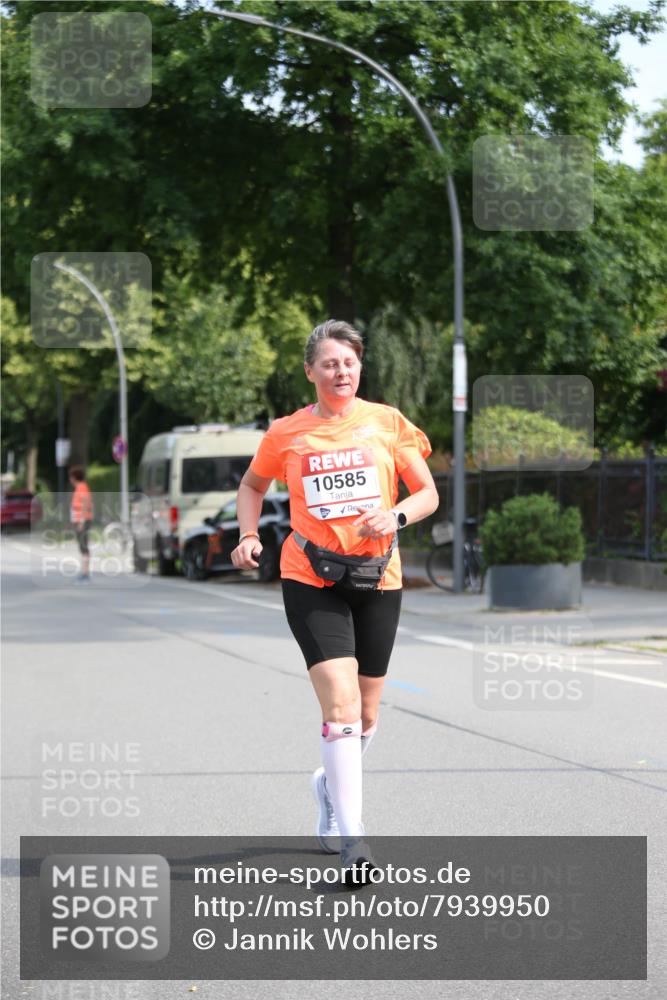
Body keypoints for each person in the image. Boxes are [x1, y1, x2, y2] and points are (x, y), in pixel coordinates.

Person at [231, 319, 439, 877]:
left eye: (348, 362)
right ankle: (354, 840)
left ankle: (328, 786)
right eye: (329, 363)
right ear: (311, 372)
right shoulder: (287, 433)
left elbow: (426, 493)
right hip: (310, 575)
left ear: (359, 368)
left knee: (368, 712)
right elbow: (253, 485)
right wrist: (249, 536)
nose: (340, 371)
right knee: (341, 707)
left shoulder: (387, 423)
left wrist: (394, 514)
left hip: (378, 576)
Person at [68, 465, 93, 583]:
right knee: (82, 547)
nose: (70, 479)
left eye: (71, 477)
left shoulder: (82, 487)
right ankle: (84, 572)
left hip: (82, 521)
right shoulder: (80, 487)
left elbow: (84, 503)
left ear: (74, 477)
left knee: (84, 547)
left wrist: (82, 520)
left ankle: (85, 573)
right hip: (79, 521)